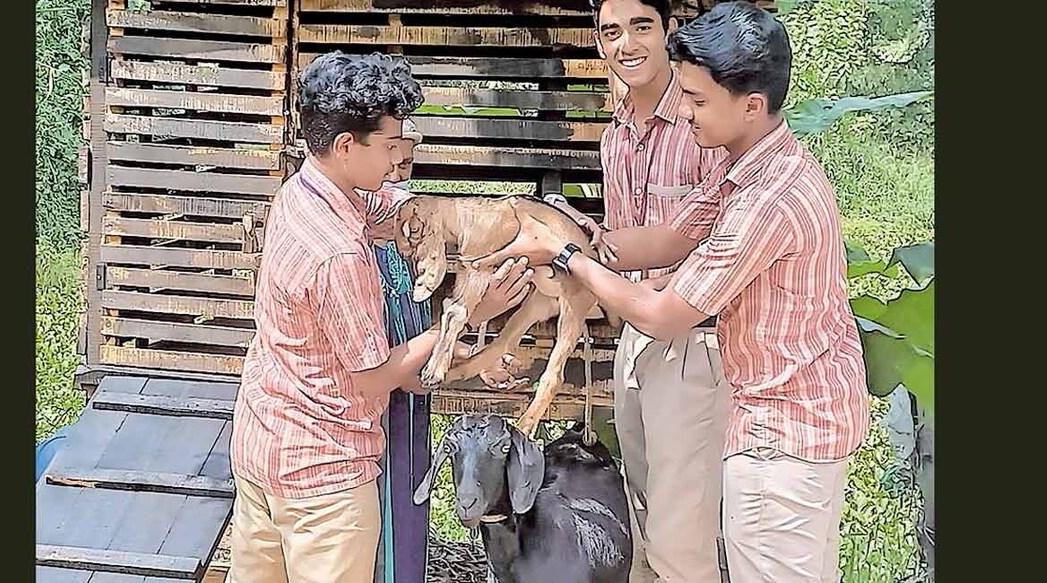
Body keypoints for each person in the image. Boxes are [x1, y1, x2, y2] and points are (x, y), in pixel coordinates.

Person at [475, 3, 871, 582]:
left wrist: (563, 258)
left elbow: (663, 312)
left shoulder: (767, 200)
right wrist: (570, 235)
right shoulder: (745, 167)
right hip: (769, 420)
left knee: (696, 549)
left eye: (699, 101)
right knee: (663, 528)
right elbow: (668, 238)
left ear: (751, 106)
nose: (686, 112)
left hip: (780, 433)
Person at [228, 51, 534, 583]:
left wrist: (489, 221)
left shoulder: (304, 193)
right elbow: (375, 377)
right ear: (347, 146)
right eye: (390, 146)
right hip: (323, 483)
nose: (399, 160)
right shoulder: (338, 253)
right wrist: (464, 317)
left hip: (263, 446)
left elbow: (396, 212)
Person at [546, 0, 729, 580]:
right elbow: (624, 247)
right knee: (642, 513)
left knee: (687, 532)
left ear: (670, 30)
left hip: (695, 343)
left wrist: (583, 260)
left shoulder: (709, 124)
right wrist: (574, 246)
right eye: (611, 32)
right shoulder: (615, 137)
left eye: (642, 27)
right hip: (633, 338)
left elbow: (718, 243)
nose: (626, 45)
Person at [370, 117, 431, 583]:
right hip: (370, 404)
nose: (398, 176)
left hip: (411, 408)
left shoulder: (419, 237)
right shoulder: (350, 242)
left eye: (407, 165)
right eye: (390, 163)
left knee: (406, 518)